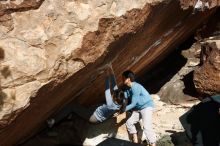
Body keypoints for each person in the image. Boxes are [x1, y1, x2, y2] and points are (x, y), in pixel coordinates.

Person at [46, 66, 126, 127]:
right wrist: (110, 68)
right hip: (97, 111)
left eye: (113, 95)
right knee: (88, 106)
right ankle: (71, 116)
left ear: (115, 98)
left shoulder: (110, 104)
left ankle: (53, 121)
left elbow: (107, 89)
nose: (112, 94)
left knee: (72, 106)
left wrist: (106, 74)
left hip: (94, 118)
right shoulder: (121, 100)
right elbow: (115, 85)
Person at [121, 70, 156, 146]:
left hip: (146, 107)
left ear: (128, 79)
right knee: (129, 122)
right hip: (138, 109)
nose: (122, 80)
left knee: (147, 127)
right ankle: (135, 141)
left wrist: (123, 110)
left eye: (123, 78)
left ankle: (153, 144)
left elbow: (133, 103)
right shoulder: (127, 88)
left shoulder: (136, 87)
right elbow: (125, 99)